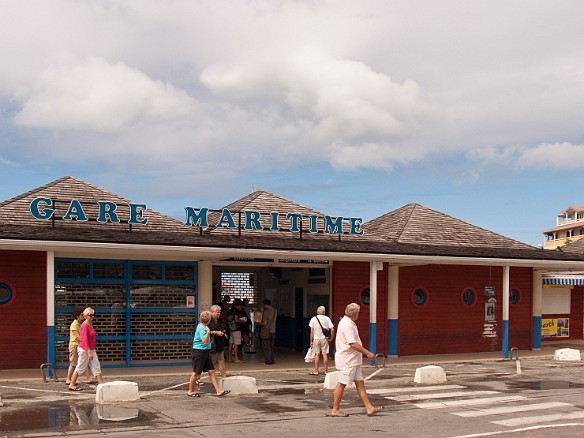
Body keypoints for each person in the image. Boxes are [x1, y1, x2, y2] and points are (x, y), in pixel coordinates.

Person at [330, 303, 383, 417]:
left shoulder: (348, 323)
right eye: (359, 313)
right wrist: (367, 353)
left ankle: (369, 407)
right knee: (342, 383)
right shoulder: (347, 324)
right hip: (347, 360)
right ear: (355, 314)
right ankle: (335, 409)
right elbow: (352, 343)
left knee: (360, 383)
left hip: (353, 360)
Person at [187, 310, 230, 397]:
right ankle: (190, 391)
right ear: (209, 320)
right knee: (196, 372)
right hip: (199, 352)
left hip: (205, 352)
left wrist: (209, 331)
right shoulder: (202, 328)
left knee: (212, 371)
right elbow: (205, 341)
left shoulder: (203, 326)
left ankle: (219, 391)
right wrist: (207, 332)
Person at [68, 307, 104, 391]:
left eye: (93, 315)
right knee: (80, 366)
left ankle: (101, 384)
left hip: (91, 348)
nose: (92, 317)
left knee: (96, 366)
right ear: (85, 316)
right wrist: (89, 352)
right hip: (85, 349)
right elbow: (84, 339)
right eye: (90, 315)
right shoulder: (84, 326)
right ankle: (72, 384)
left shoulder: (89, 324)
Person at [65, 308, 97, 386]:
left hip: (80, 345)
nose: (83, 316)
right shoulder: (74, 324)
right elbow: (78, 336)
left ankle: (88, 378)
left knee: (83, 362)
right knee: (73, 363)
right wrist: (85, 341)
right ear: (77, 316)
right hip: (74, 345)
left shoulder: (80, 324)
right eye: (81, 315)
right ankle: (68, 379)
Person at [308, 306, 335, 375]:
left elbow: (312, 331)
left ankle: (316, 371)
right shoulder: (327, 318)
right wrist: (331, 338)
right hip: (324, 339)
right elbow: (332, 329)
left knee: (317, 354)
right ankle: (326, 371)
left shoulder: (313, 319)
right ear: (323, 312)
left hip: (316, 339)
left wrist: (311, 341)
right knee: (325, 354)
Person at [208, 304, 228, 378]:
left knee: (221, 361)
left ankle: (224, 377)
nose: (219, 313)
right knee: (211, 363)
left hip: (219, 344)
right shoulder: (209, 321)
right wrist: (215, 332)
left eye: (219, 312)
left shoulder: (219, 320)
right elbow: (205, 332)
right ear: (212, 312)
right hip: (213, 345)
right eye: (217, 312)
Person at [257, 299, 277, 365]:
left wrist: (258, 323)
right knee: (271, 346)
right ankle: (272, 360)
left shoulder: (266, 312)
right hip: (273, 331)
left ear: (265, 304)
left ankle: (268, 361)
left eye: (263, 305)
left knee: (266, 347)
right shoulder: (275, 311)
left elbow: (264, 323)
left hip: (266, 331)